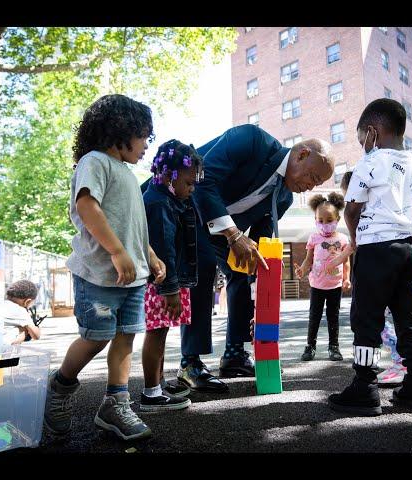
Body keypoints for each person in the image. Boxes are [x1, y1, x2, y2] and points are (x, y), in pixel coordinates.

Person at [141, 125, 335, 393]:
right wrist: (233, 234)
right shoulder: (251, 140)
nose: (309, 187)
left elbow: (259, 247)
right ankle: (190, 363)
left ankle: (234, 355)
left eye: (316, 185)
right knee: (204, 263)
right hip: (183, 210)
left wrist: (260, 301)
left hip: (220, 229)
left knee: (242, 271)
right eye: (312, 177)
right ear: (301, 154)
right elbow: (202, 182)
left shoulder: (285, 196)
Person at [43, 94, 166, 441]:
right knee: (96, 338)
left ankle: (115, 402)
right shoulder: (94, 162)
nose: (146, 145)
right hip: (98, 274)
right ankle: (60, 386)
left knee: (126, 337)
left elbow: (133, 226)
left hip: (132, 276)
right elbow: (87, 206)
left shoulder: (126, 173)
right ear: (120, 129)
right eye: (143, 135)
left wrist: (150, 255)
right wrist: (116, 251)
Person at [328, 98, 412, 416]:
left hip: (376, 250)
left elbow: (351, 209)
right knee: (409, 316)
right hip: (408, 249)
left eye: (362, 136)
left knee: (367, 320)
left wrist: (355, 238)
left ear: (373, 132)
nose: (362, 143)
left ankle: (365, 386)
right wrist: (408, 221)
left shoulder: (371, 161)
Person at [328, 172, 412, 386]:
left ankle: (401, 363)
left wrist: (338, 260)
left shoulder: (368, 214)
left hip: (379, 269)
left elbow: (356, 243)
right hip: (405, 257)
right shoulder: (389, 209)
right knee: (409, 319)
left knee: (380, 321)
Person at [139, 139, 204, 412]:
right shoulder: (159, 204)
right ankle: (151, 393)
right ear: (168, 176)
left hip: (166, 282)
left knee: (161, 332)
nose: (191, 190)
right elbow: (164, 248)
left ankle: (158, 385)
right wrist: (171, 289)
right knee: (156, 332)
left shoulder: (166, 198)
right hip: (161, 283)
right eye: (188, 183)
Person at [294, 192, 350, 362]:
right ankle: (310, 346)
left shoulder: (342, 239)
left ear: (337, 219)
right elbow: (308, 258)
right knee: (314, 316)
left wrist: (346, 279)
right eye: (320, 220)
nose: (324, 224)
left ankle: (334, 347)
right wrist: (302, 270)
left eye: (329, 220)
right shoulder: (314, 238)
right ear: (316, 220)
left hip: (335, 285)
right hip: (317, 284)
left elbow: (346, 261)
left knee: (333, 316)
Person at [4, 280, 41, 345]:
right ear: (27, 302)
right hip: (1, 348)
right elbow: (36, 336)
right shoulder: (20, 310)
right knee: (25, 329)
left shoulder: (0, 304)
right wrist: (37, 328)